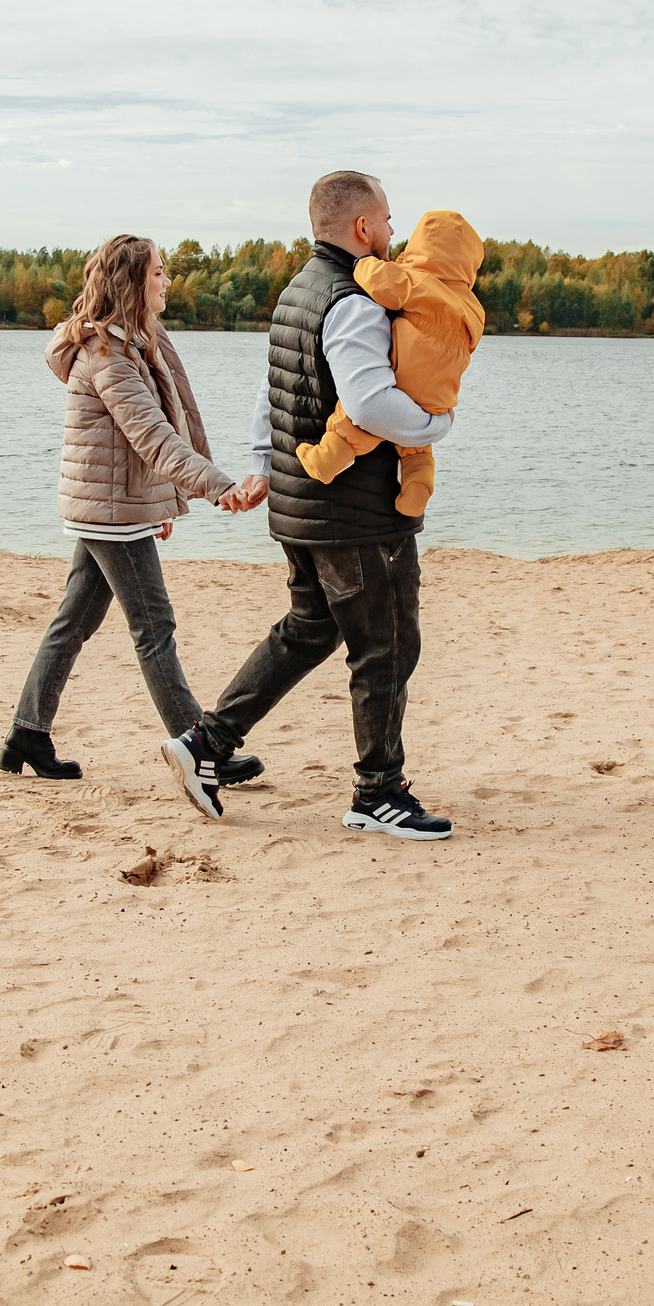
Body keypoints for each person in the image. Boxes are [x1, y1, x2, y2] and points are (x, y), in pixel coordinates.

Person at [158, 172, 456, 839]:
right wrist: (437, 424)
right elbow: (373, 402)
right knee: (386, 645)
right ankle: (378, 791)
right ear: (361, 228)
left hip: (301, 502)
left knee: (311, 629)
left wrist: (266, 464)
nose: (391, 232)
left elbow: (274, 395)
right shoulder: (353, 299)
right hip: (353, 513)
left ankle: (206, 743)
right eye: (385, 220)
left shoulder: (299, 290)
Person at [0, 235, 264, 791]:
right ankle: (199, 745)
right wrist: (219, 488)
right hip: (110, 514)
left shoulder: (140, 342)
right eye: (160, 273)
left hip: (113, 505)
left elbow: (153, 436)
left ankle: (28, 732)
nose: (168, 282)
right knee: (154, 625)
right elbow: (154, 438)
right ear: (132, 281)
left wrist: (164, 503)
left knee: (74, 622)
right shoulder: (107, 356)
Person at [293, 208, 485, 518]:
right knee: (417, 446)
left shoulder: (419, 282)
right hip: (442, 393)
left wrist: (364, 263)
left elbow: (381, 282)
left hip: (405, 377)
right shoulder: (473, 307)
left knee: (353, 422)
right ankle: (418, 482)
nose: (394, 234)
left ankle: (326, 460)